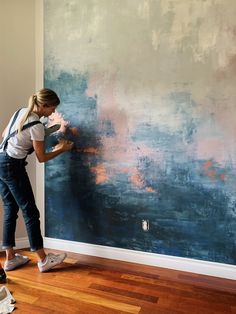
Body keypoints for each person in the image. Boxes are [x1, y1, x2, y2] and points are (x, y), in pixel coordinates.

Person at [0, 88, 73, 272]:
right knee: (30, 211)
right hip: (11, 166)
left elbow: (5, 135)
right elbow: (42, 158)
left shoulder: (21, 112)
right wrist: (62, 149)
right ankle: (43, 260)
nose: (54, 112)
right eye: (53, 108)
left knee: (10, 208)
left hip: (0, 159)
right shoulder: (37, 126)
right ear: (44, 105)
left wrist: (45, 133)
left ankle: (10, 258)